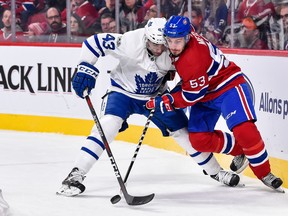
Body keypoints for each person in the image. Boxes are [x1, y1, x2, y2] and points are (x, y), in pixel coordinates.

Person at [57, 17, 243, 197]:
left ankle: (216, 172)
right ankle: (75, 174)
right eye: (154, 44)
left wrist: (174, 92)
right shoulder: (129, 42)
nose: (159, 49)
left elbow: (187, 79)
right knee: (107, 126)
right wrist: (84, 67)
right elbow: (93, 42)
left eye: (162, 44)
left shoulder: (172, 50)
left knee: (184, 133)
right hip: (122, 92)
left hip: (156, 97)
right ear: (145, 38)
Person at [147, 15, 284, 192]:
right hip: (204, 90)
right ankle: (243, 150)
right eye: (170, 41)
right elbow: (193, 85)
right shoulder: (185, 37)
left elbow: (191, 96)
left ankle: (264, 173)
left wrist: (168, 100)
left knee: (244, 130)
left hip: (227, 84)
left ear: (187, 37)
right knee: (198, 140)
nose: (173, 46)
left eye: (178, 41)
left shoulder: (192, 59)